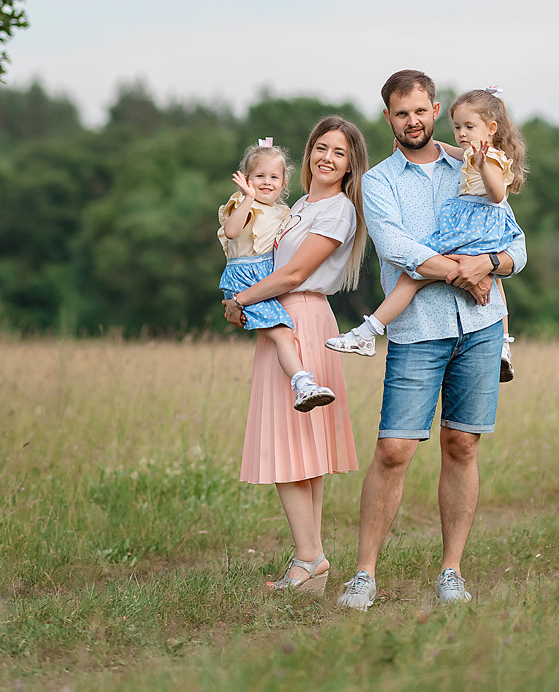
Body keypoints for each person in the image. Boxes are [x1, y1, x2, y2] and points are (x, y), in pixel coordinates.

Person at [337, 71, 527, 611]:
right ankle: (364, 575)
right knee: (394, 448)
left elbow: (516, 245)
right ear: (388, 118)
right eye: (402, 114)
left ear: (435, 109)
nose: (412, 122)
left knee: (461, 445)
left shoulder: (470, 159)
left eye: (421, 111)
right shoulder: (377, 183)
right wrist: (463, 272)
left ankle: (451, 571)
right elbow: (398, 249)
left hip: (481, 328)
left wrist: (489, 263)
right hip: (418, 330)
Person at [223, 116, 368, 595]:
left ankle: (308, 559)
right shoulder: (301, 203)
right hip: (284, 313)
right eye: (320, 148)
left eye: (339, 153)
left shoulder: (338, 211)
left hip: (299, 313)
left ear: (350, 166)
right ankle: (313, 556)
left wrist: (240, 300)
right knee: (303, 447)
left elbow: (294, 273)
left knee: (289, 447)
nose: (327, 158)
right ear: (308, 154)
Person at [326, 87, 526, 381]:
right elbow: (446, 150)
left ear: (491, 128)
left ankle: (369, 331)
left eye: (469, 127)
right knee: (450, 270)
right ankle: (505, 345)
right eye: (458, 127)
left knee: (416, 270)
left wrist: (483, 166)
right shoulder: (462, 156)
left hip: (474, 226)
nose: (462, 134)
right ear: (389, 117)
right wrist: (470, 272)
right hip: (469, 236)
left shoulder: (489, 158)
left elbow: (499, 197)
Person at [219, 140, 322, 406]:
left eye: (274, 177)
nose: (267, 182)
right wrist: (248, 198)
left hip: (267, 276)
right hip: (245, 278)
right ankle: (302, 382)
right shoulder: (242, 203)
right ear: (247, 179)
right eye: (259, 176)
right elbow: (231, 231)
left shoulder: (284, 212)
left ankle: (302, 381)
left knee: (285, 333)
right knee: (282, 333)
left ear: (284, 182)